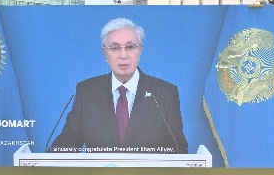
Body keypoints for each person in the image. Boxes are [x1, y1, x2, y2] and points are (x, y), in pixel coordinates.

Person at [51, 16, 189, 153]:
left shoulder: (165, 93)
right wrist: (51, 156)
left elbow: (177, 146)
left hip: (147, 174)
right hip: (101, 174)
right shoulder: (87, 91)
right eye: (115, 48)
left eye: (130, 47)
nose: (123, 55)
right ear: (105, 53)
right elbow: (70, 138)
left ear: (140, 50)